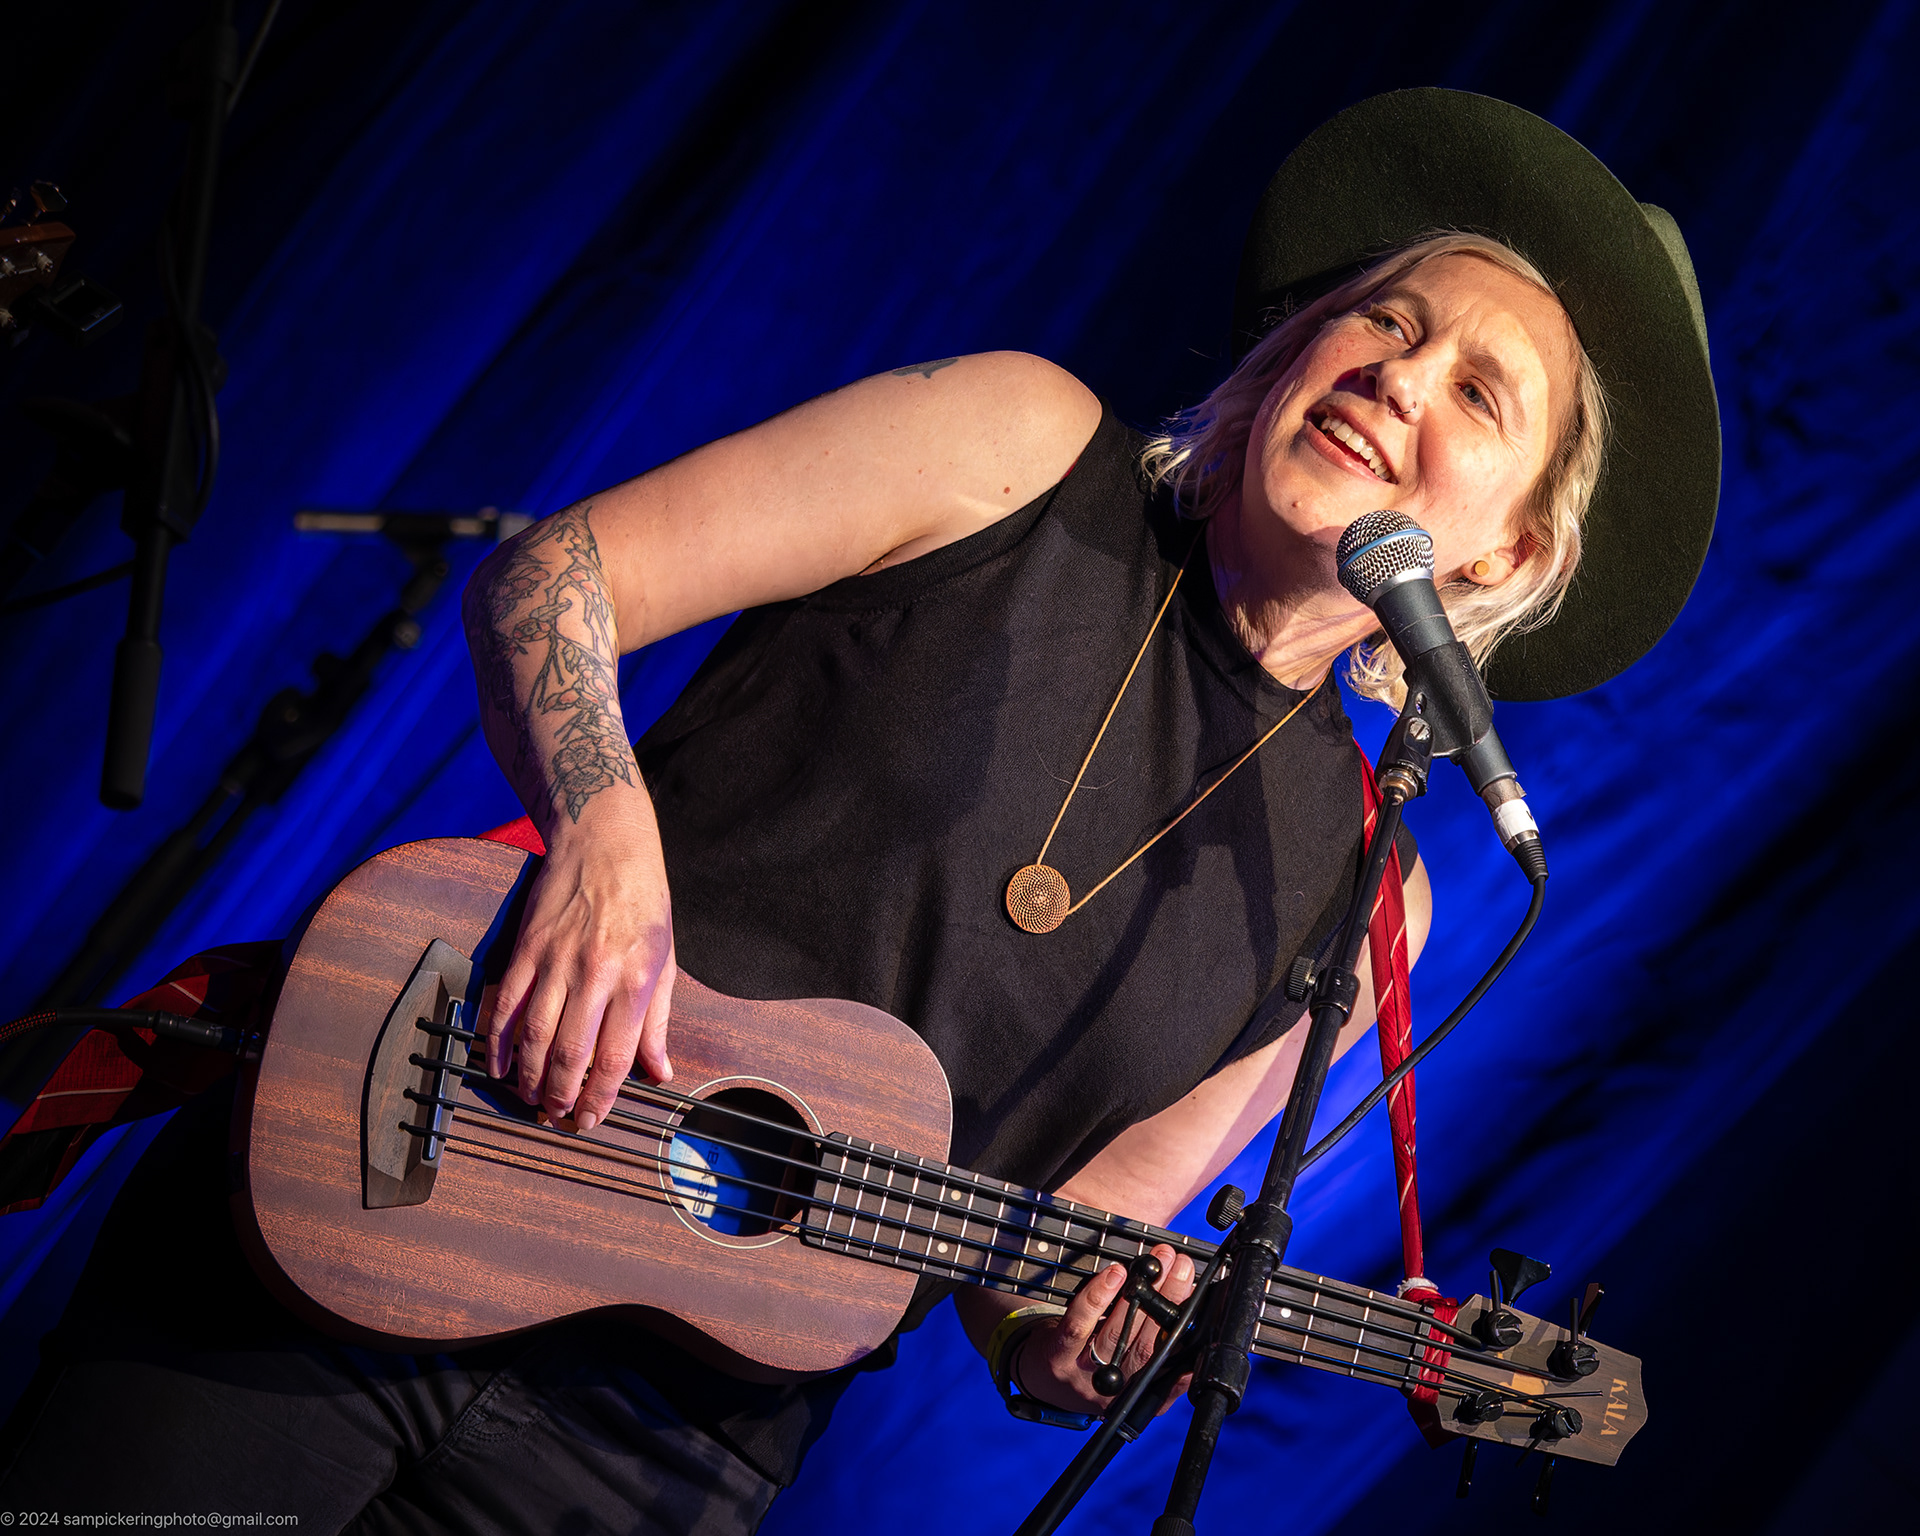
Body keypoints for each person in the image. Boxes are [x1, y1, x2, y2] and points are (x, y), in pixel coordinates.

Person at [0, 88, 1716, 1533]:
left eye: (1477, 391)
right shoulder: (1019, 449)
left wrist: (1077, 1335)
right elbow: (558, 576)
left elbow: (1054, 1248)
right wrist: (603, 836)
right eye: (1387, 319)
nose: (1400, 375)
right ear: (1295, 344)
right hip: (403, 1176)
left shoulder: (1368, 898)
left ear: (1505, 553)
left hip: (662, 1462)